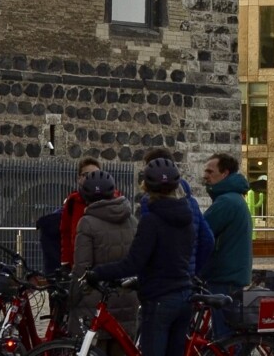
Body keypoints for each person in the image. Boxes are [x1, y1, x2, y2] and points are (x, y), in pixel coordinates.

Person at [90, 159, 194, 356]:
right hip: (183, 294)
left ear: (146, 187)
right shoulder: (186, 217)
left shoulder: (151, 220)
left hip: (160, 298)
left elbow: (134, 263)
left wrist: (98, 272)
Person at [70, 171, 138, 355]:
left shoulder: (87, 223)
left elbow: (82, 267)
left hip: (97, 298)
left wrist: (72, 297)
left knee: (96, 349)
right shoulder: (131, 220)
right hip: (127, 296)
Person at [139, 147, 213, 277]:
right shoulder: (193, 203)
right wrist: (194, 270)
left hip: (161, 278)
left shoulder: (150, 201)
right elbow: (207, 240)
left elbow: (147, 244)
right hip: (187, 277)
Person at [201, 153, 252, 338]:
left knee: (224, 337)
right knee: (227, 333)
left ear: (225, 173)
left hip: (224, 276)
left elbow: (201, 233)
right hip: (230, 274)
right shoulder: (233, 198)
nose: (205, 175)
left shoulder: (226, 202)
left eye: (210, 171)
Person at [59, 156, 104, 269]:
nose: (91, 178)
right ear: (79, 178)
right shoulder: (72, 202)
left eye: (95, 174)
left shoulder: (112, 198)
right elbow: (66, 233)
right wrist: (66, 263)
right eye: (86, 175)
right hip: (79, 264)